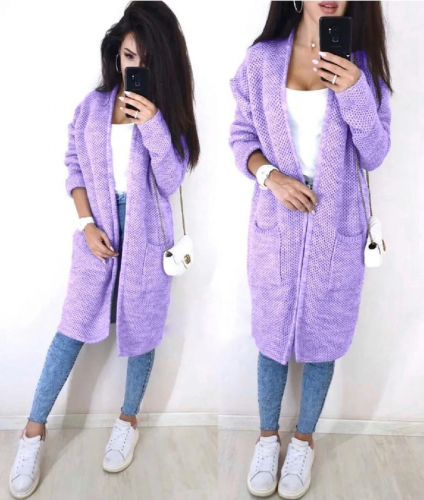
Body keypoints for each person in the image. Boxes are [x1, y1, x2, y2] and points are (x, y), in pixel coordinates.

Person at [9, 2, 200, 498]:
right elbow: (74, 167)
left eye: (146, 59)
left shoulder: (167, 113)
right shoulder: (92, 107)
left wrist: (153, 123)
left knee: (142, 330)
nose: (135, 66)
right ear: (117, 52)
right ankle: (32, 432)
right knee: (70, 331)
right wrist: (87, 223)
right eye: (129, 55)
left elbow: (172, 179)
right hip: (98, 231)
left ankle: (127, 421)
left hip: (146, 234)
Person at [228, 1, 392, 498]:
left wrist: (354, 91)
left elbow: (375, 153)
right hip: (276, 226)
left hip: (336, 226)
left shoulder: (362, 66)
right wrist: (270, 177)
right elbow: (241, 138)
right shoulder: (262, 60)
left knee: (325, 335)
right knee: (270, 334)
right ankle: (267, 437)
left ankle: (303, 441)